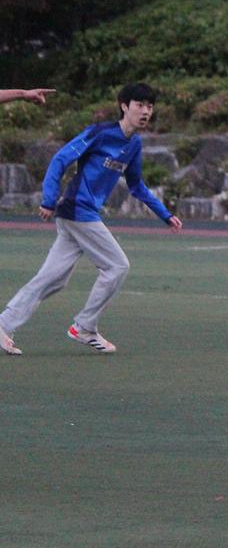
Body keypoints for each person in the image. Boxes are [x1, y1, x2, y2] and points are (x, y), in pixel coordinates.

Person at [0, 82, 183, 356]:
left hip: (80, 215)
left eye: (150, 107)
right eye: (140, 105)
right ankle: (84, 326)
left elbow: (136, 185)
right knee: (117, 266)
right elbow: (60, 160)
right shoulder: (100, 133)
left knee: (53, 279)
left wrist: (165, 214)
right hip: (77, 210)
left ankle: (4, 323)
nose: (146, 111)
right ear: (124, 106)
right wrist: (49, 199)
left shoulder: (133, 144)